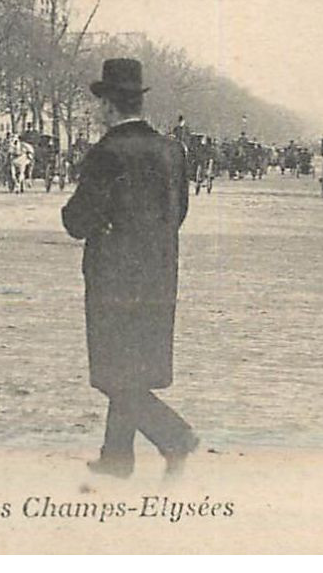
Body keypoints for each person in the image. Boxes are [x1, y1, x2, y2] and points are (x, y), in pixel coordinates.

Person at [61, 58, 198, 479]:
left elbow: (78, 220)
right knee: (133, 367)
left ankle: (174, 436)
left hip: (113, 277)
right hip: (159, 275)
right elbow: (180, 212)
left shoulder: (106, 153)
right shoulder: (171, 150)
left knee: (111, 372)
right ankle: (117, 456)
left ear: (108, 106)